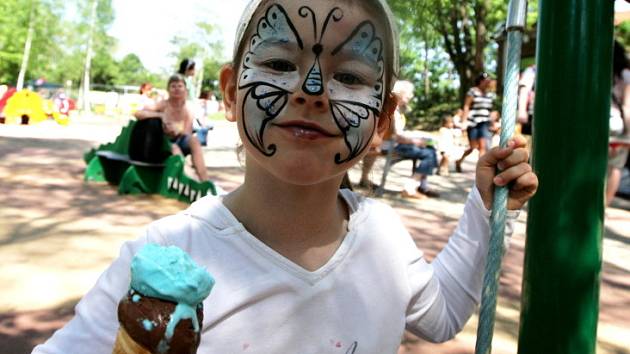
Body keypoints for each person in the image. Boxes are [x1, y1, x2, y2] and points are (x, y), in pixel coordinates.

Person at [33, 1, 538, 353]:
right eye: (278, 62)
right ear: (230, 93)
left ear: (382, 121)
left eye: (351, 77)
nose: (312, 89)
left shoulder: (383, 236)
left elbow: (441, 315)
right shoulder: (168, 252)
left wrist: (484, 207)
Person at [359, 80, 439, 198]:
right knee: (429, 153)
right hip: (389, 146)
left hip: (388, 144)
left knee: (430, 148)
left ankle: (422, 186)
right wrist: (416, 141)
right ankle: (411, 188)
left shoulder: (393, 109)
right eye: (408, 94)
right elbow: (394, 136)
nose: (411, 96)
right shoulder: (392, 111)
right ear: (400, 94)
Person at [133, 74, 210, 181]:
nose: (177, 89)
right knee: (174, 148)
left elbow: (187, 133)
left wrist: (177, 130)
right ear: (168, 89)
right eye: (173, 86)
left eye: (180, 86)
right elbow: (138, 113)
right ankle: (190, 179)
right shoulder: (163, 105)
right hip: (161, 144)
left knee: (194, 140)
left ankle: (204, 179)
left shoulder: (188, 109)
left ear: (184, 89)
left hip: (179, 139)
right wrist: (160, 115)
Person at [455, 71, 496, 172]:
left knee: (483, 146)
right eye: (487, 80)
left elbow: (490, 110)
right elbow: (466, 106)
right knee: (473, 147)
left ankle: (481, 171)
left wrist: (493, 123)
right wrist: (464, 122)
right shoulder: (472, 91)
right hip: (473, 123)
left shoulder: (489, 95)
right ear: (481, 81)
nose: (488, 82)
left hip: (484, 123)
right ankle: (459, 161)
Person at [607, 40, 630, 205]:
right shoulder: (626, 76)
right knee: (615, 167)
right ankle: (603, 204)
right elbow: (627, 106)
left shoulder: (598, 70)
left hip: (598, 124)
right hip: (618, 125)